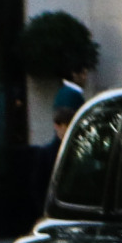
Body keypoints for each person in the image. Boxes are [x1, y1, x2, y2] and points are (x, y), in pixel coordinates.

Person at [30, 80, 85, 215]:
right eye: (60, 123)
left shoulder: (85, 154)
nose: (64, 129)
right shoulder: (46, 155)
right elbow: (39, 191)